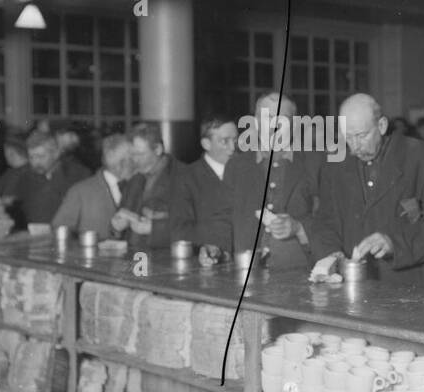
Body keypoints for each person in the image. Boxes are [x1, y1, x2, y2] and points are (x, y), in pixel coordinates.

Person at [308, 93, 424, 284]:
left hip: (407, 287)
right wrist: (330, 254)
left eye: (361, 136)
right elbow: (325, 220)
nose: (355, 147)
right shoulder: (335, 163)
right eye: (348, 137)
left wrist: (395, 244)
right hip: (351, 284)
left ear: (382, 126)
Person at [227, 93, 323, 270]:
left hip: (298, 272)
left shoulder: (315, 163)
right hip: (245, 272)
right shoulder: (236, 165)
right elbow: (222, 217)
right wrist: (213, 246)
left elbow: (329, 219)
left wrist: (299, 227)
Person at [170, 116, 239, 259]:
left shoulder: (247, 172)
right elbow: (180, 229)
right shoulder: (186, 177)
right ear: (206, 144)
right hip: (207, 261)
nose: (233, 148)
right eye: (224, 141)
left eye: (235, 140)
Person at [52, 134, 145, 239]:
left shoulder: (143, 186)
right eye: (131, 158)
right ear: (115, 160)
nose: (136, 162)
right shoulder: (80, 192)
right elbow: (60, 229)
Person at [121, 122, 179, 249]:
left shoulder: (183, 178)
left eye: (140, 154)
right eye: (132, 154)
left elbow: (195, 226)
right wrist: (116, 226)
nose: (134, 160)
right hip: (137, 260)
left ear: (158, 149)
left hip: (167, 262)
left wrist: (155, 228)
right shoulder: (134, 180)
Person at [18, 129, 90, 226]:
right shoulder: (24, 177)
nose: (36, 162)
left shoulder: (78, 175)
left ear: (56, 154)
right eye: (31, 157)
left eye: (41, 156)